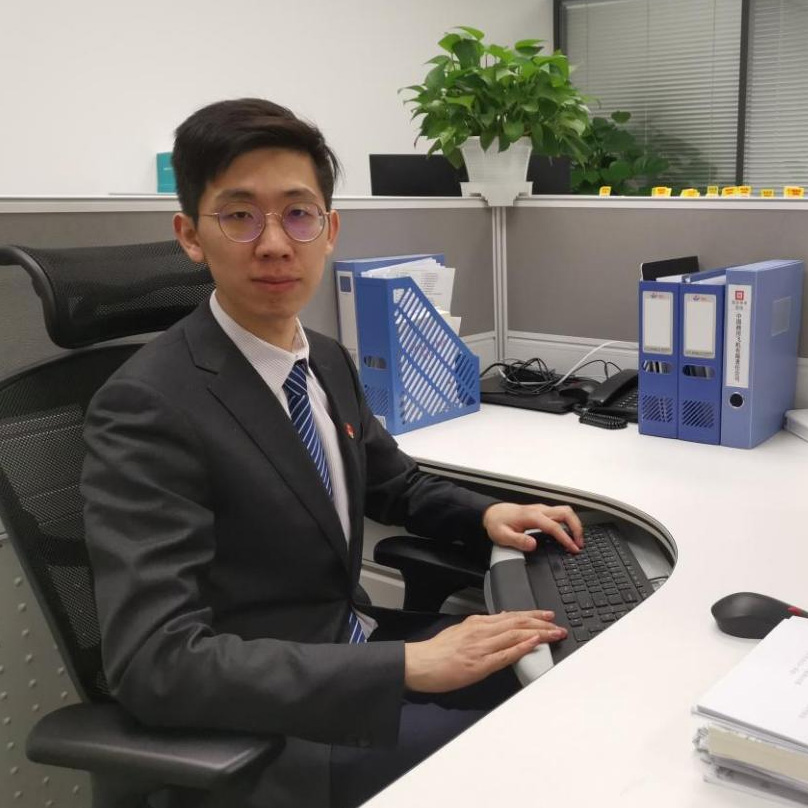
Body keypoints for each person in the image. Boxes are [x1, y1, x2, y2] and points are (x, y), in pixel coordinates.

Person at [81, 98, 584, 808]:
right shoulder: (147, 406)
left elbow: (393, 485)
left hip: (355, 647)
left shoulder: (323, 359)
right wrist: (406, 667)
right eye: (239, 215)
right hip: (273, 732)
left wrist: (486, 514)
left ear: (329, 229)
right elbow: (154, 663)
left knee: (570, 673)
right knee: (545, 755)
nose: (274, 243)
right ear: (190, 236)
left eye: (298, 213)